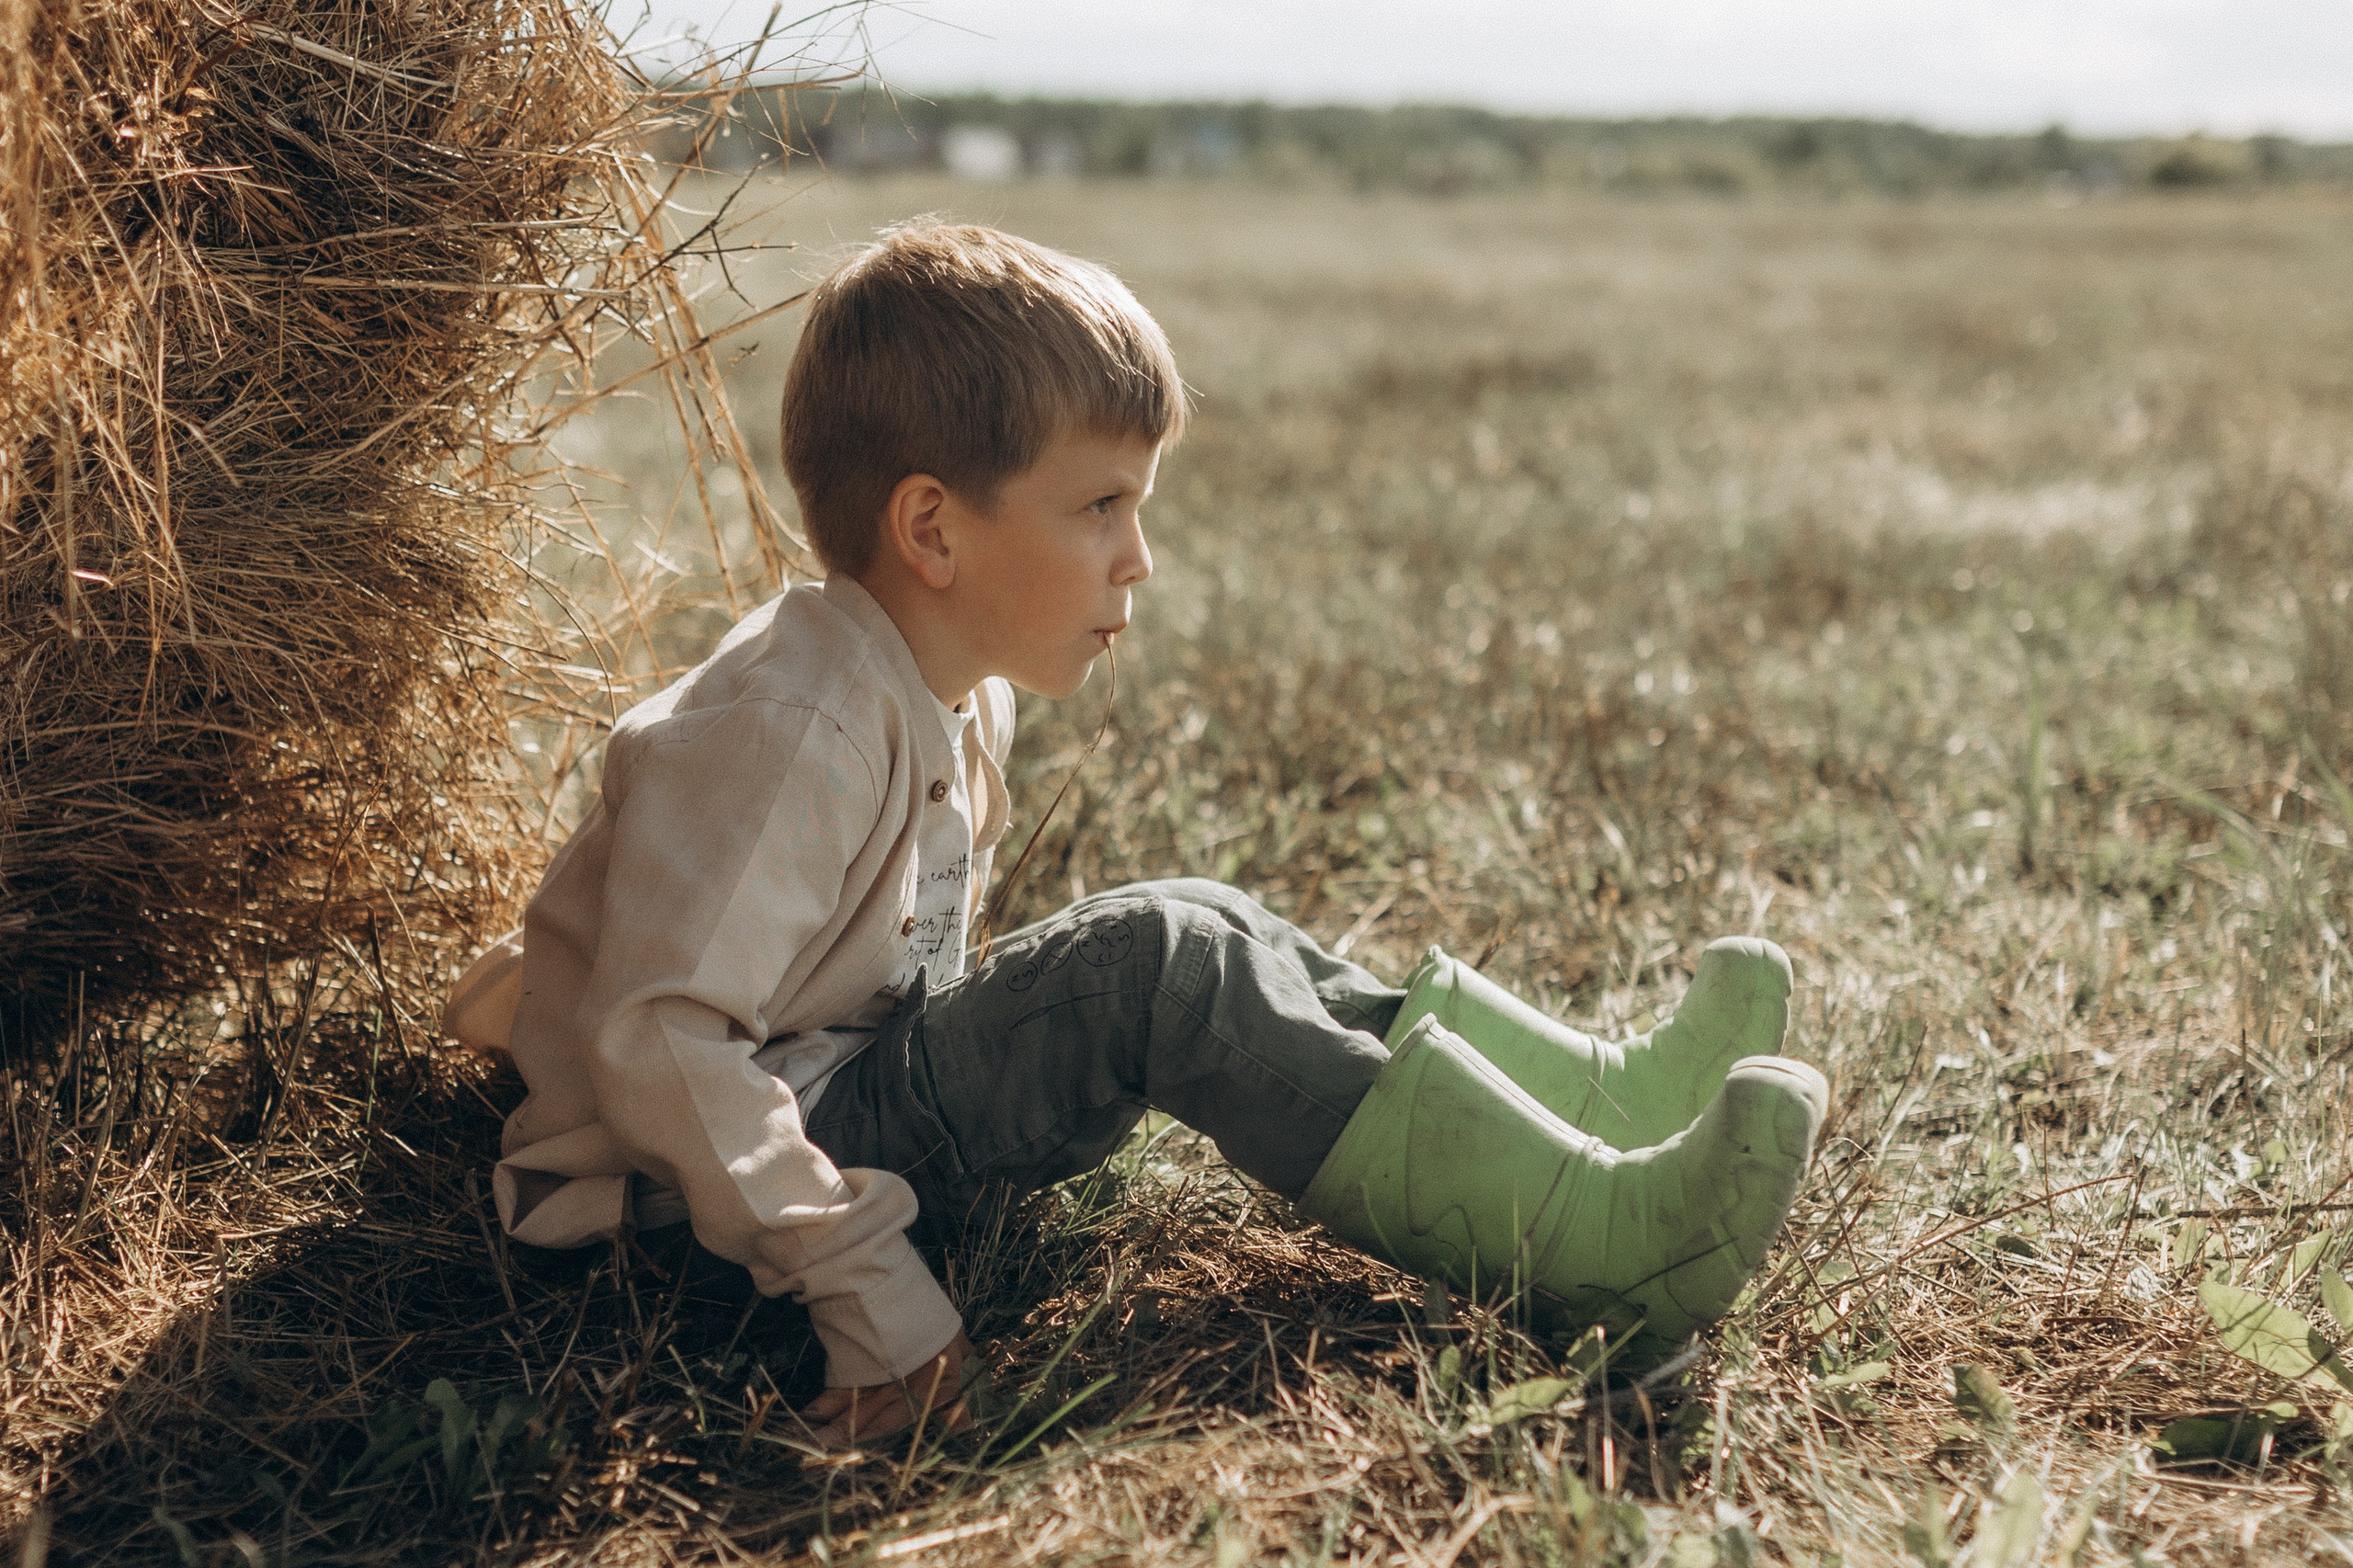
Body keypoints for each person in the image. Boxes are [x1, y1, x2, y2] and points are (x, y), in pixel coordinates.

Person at [441, 222, 1827, 1448]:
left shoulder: (944, 690)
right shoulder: (797, 725)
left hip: (820, 1109)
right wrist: (874, 1294)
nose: (1138, 557)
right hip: (683, 1220)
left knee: (1199, 914)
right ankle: (1584, 1252)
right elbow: (662, 1046)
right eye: (1101, 504)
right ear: (933, 527)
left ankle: (1592, 1120)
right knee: (1157, 963)